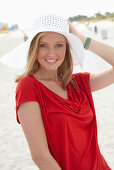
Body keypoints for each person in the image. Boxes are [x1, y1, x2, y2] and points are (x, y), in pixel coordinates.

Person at [13, 14, 114, 170]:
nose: (51, 53)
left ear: (67, 48)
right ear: (34, 48)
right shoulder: (28, 87)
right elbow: (41, 157)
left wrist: (82, 40)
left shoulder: (78, 83)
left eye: (59, 45)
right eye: (43, 45)